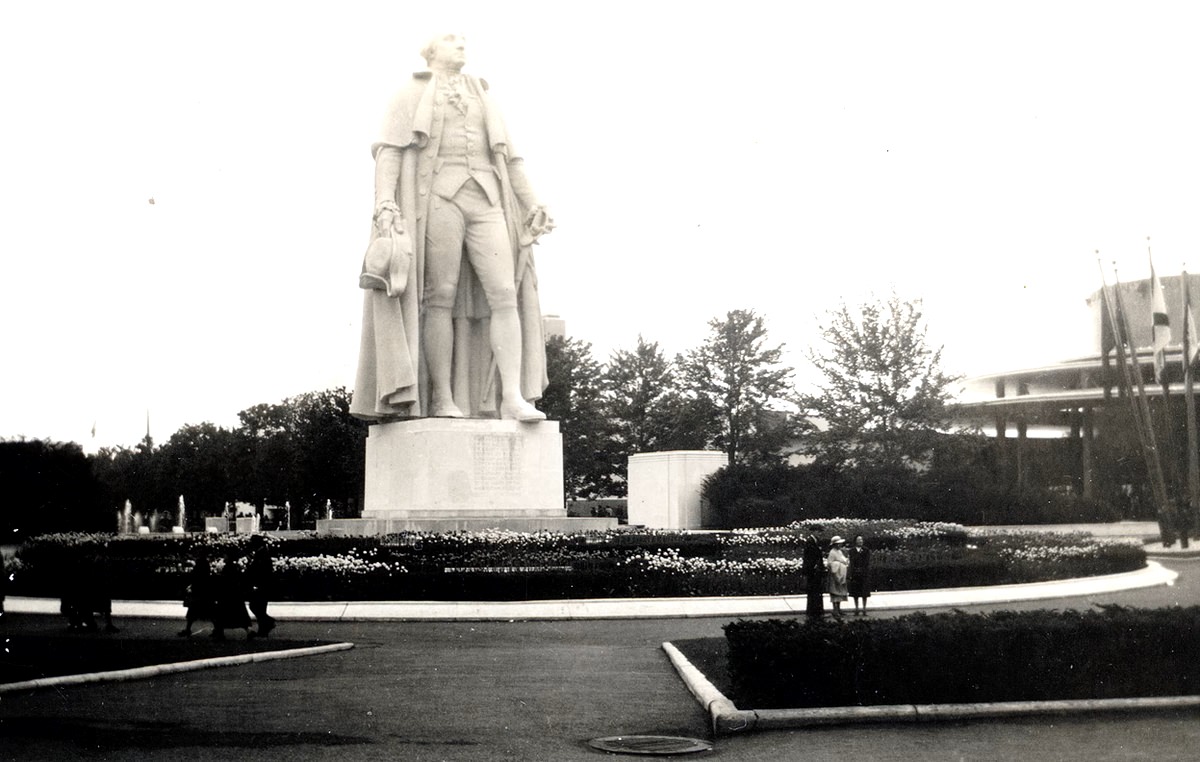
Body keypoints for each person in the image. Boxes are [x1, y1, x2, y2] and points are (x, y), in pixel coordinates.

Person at [352, 32, 554, 423]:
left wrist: (533, 203)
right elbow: (390, 152)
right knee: (439, 297)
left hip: (488, 199)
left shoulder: (483, 95)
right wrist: (385, 202)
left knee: (504, 294)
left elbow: (510, 158)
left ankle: (511, 396)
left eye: (462, 41)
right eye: (450, 40)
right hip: (438, 198)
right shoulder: (408, 93)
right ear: (430, 51)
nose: (461, 45)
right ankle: (443, 397)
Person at [211, 552, 252, 641]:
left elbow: (225, 580)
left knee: (221, 614)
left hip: (227, 594)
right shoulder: (235, 567)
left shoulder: (228, 567)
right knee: (239, 614)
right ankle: (248, 631)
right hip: (234, 594)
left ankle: (219, 633)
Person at [177, 551, 217, 637]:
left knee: (192, 611)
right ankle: (217, 630)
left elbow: (195, 576)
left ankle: (188, 629)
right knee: (209, 611)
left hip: (198, 591)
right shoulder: (206, 564)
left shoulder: (199, 564)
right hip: (204, 591)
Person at [245, 534, 276, 637]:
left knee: (256, 606)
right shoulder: (262, 552)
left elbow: (259, 570)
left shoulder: (262, 554)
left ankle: (267, 623)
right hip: (263, 584)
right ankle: (264, 628)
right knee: (259, 606)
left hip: (261, 584)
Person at [802, 529, 826, 619]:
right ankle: (813, 612)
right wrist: (813, 567)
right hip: (813, 571)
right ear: (814, 531)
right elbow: (808, 557)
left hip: (816, 571)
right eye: (819, 532)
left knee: (816, 591)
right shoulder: (810, 542)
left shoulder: (816, 541)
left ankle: (816, 611)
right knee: (813, 591)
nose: (820, 533)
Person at [825, 536, 850, 619]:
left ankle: (839, 609)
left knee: (840, 592)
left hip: (841, 575)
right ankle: (835, 610)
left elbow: (843, 560)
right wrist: (838, 565)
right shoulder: (832, 552)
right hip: (835, 576)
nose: (840, 545)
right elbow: (829, 563)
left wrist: (845, 562)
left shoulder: (839, 551)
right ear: (835, 544)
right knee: (834, 593)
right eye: (838, 543)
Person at [847, 534, 872, 615]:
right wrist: (854, 570)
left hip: (864, 573)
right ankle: (856, 608)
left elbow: (867, 562)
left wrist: (862, 569)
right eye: (858, 540)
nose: (860, 541)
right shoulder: (852, 551)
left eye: (861, 540)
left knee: (864, 593)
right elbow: (851, 561)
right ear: (855, 541)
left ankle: (864, 609)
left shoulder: (866, 550)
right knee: (855, 593)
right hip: (855, 574)